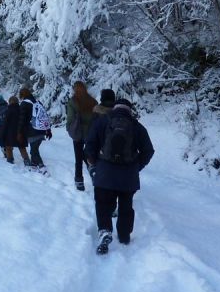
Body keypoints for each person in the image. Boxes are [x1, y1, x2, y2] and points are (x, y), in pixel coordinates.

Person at [84, 98, 154, 255]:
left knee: (103, 203)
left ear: (114, 108)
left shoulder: (102, 122)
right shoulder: (137, 127)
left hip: (104, 174)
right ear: (130, 110)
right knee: (126, 206)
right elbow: (149, 151)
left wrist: (95, 164)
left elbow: (89, 146)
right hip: (128, 176)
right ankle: (124, 236)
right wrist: (137, 167)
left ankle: (105, 231)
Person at [66, 81, 98, 191]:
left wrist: (68, 127)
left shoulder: (72, 102)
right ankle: (93, 171)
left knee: (78, 158)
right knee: (89, 155)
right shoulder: (93, 101)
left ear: (75, 89)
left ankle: (79, 181)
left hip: (78, 133)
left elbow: (70, 118)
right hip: (91, 133)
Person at [18, 87, 51, 172]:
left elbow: (22, 120)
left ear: (22, 95)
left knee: (34, 150)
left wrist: (19, 132)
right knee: (34, 148)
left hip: (32, 130)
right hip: (42, 128)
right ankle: (33, 165)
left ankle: (42, 168)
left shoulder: (24, 104)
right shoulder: (37, 102)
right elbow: (45, 116)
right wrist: (48, 130)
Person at [1, 95, 30, 165]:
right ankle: (26, 160)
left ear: (10, 102)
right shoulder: (22, 110)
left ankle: (10, 160)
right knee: (22, 147)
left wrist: (1, 134)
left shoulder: (8, 111)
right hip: (20, 132)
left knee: (8, 147)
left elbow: (5, 124)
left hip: (10, 133)